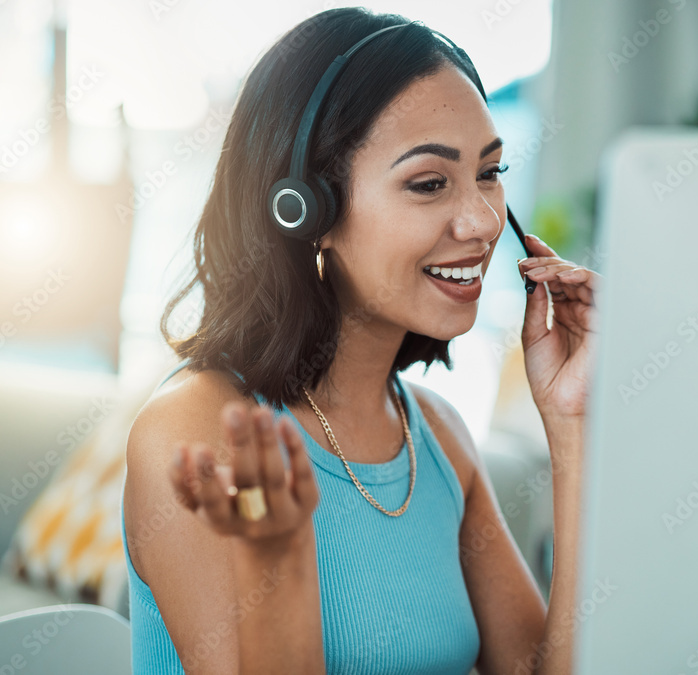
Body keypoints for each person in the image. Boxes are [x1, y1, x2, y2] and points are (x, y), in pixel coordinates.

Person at [121, 7, 599, 674]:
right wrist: (280, 560)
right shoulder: (198, 431)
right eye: (429, 183)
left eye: (491, 172)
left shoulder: (436, 436)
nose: (484, 220)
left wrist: (573, 429)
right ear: (304, 209)